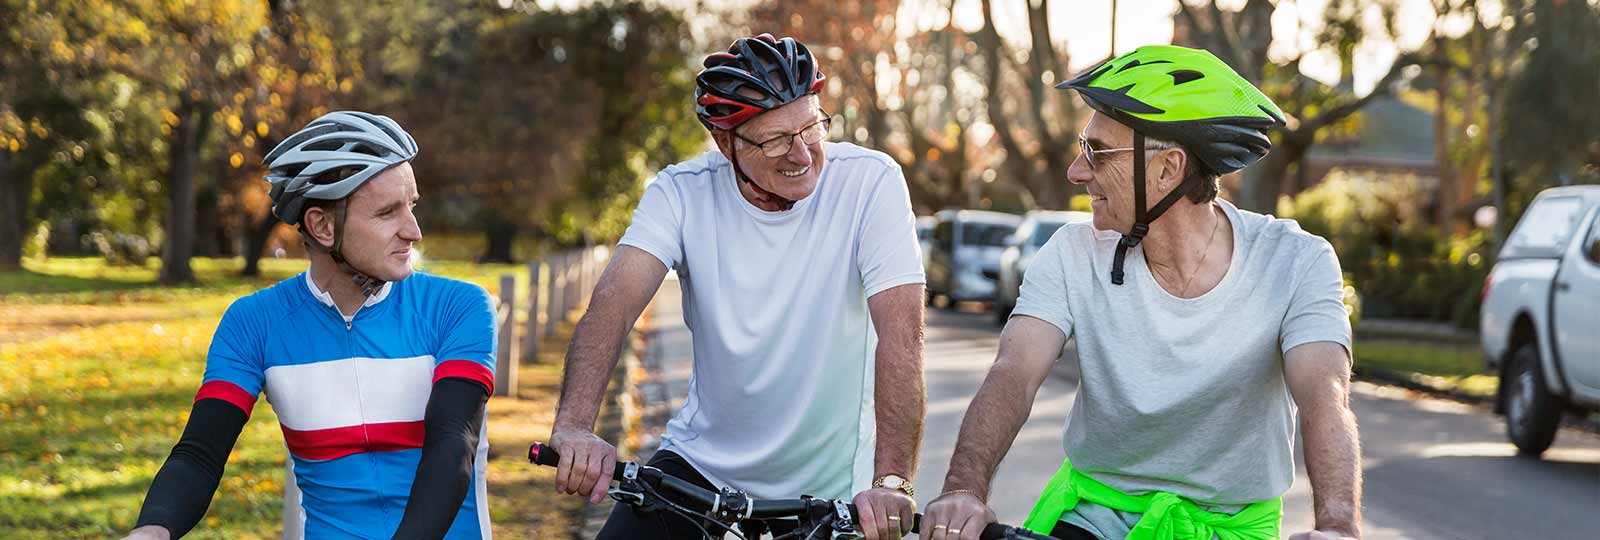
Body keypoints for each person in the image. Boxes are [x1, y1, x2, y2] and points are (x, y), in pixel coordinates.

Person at [922, 45, 1362, 540]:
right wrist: (964, 489)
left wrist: (1337, 526)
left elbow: (1325, 395)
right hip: (1095, 514)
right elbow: (1014, 373)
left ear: (1168, 168)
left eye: (1098, 152)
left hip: (1230, 527)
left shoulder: (1296, 260)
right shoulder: (1073, 252)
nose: (1076, 171)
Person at [547, 34, 927, 540]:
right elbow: (611, 309)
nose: (801, 154)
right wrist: (574, 425)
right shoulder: (681, 192)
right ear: (725, 143)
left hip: (832, 494)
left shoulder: (869, 182)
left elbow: (902, 337)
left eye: (811, 126)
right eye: (774, 139)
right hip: (699, 471)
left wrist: (893, 480)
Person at [119, 111, 498, 540]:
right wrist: (152, 530)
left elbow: (454, 444)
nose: (413, 230)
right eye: (387, 213)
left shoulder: (458, 307)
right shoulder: (254, 324)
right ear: (321, 225)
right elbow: (200, 455)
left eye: (410, 205)